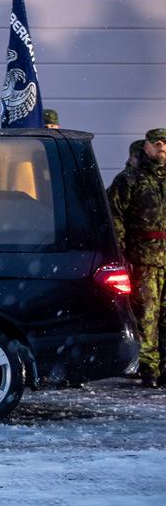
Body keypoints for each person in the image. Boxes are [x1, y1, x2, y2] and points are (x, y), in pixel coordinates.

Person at [107, 128, 166, 387]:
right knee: (146, 316)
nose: (162, 147)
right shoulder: (130, 179)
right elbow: (115, 218)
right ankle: (149, 370)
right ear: (146, 147)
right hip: (144, 260)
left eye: (165, 144)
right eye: (157, 143)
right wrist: (120, 255)